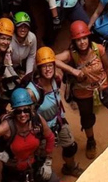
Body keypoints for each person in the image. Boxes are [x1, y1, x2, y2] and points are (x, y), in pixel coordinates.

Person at [54, 21, 108, 160]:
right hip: (83, 92)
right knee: (87, 118)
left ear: (89, 38)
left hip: (104, 87)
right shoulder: (72, 54)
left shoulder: (98, 49)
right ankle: (91, 141)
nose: (82, 42)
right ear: (74, 41)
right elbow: (51, 59)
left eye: (84, 38)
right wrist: (72, 70)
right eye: (78, 40)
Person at [24, 47, 85, 178]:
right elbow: (26, 115)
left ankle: (70, 167)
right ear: (39, 69)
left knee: (70, 146)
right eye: (44, 66)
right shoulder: (32, 92)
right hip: (41, 128)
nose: (48, 69)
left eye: (50, 65)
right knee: (42, 158)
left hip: (58, 120)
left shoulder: (55, 79)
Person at [0, 88, 59, 182]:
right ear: (14, 112)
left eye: (26, 110)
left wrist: (48, 162)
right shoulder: (7, 126)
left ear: (31, 108)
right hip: (14, 172)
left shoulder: (36, 120)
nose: (23, 114)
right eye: (18, 111)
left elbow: (50, 137)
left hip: (35, 166)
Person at [10, 12, 37, 77]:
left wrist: (27, 76)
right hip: (8, 66)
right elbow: (6, 62)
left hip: (21, 65)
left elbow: (31, 56)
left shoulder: (32, 37)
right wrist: (15, 77)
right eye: (20, 26)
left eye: (26, 27)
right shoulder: (9, 39)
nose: (23, 29)